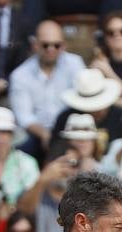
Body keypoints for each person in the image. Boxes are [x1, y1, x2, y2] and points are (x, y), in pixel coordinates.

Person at [8, 19, 85, 158]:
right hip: (36, 133)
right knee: (21, 146)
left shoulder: (75, 64)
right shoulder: (20, 75)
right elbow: (24, 117)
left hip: (69, 129)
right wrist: (45, 134)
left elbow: (82, 100)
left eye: (56, 45)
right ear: (35, 45)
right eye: (45, 45)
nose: (51, 49)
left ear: (64, 46)